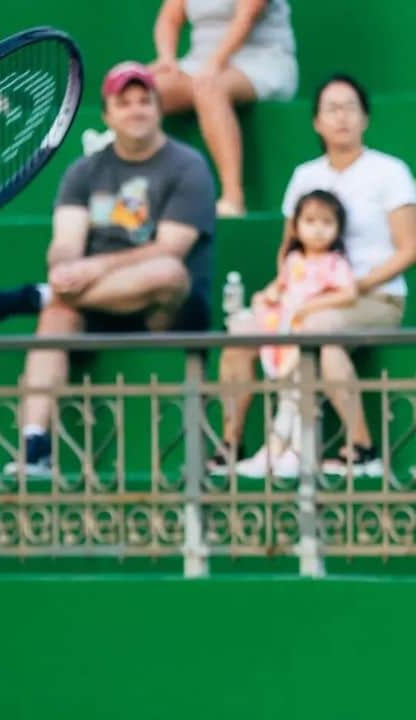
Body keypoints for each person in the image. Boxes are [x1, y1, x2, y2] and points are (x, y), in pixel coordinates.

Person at [0, 62, 216, 474]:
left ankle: (38, 295)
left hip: (165, 308)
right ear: (107, 115)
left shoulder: (187, 166)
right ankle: (35, 445)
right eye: (125, 102)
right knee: (55, 315)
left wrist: (88, 271)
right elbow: (65, 242)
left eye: (145, 101)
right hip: (97, 304)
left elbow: (171, 248)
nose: (136, 110)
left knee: (168, 272)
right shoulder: (84, 171)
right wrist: (66, 268)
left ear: (158, 108)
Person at [215, 74, 416, 478]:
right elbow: (288, 249)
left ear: (365, 118)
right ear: (316, 122)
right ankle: (232, 445)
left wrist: (354, 286)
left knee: (319, 332)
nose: (341, 117)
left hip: (374, 298)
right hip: (303, 297)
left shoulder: (389, 172)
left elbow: (409, 248)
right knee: (240, 332)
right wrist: (283, 293)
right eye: (331, 108)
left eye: (350, 108)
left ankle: (361, 448)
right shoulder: (305, 176)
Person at [231, 190, 357, 478]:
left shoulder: (335, 263)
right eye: (310, 220)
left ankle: (302, 452)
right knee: (286, 398)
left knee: (303, 397)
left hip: (306, 340)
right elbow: (277, 290)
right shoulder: (293, 261)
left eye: (326, 222)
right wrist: (265, 298)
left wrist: (309, 307)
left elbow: (348, 293)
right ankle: (274, 452)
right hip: (285, 340)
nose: (317, 228)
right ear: (296, 225)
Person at [150, 0, 298, 217]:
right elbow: (169, 19)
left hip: (262, 60)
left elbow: (246, 17)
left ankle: (233, 198)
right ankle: (148, 193)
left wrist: (215, 64)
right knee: (143, 90)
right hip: (199, 64)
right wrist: (167, 58)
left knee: (210, 88)